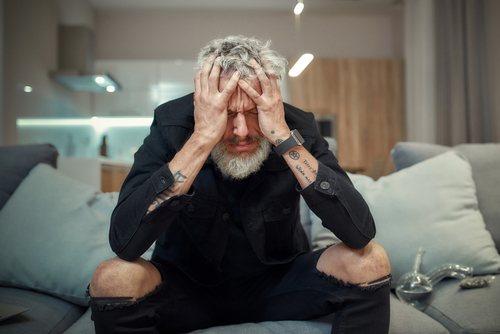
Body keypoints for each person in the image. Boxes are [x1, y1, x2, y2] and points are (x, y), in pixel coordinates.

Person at [88, 35, 392, 334]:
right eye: (227, 113)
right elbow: (124, 243)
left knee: (371, 260)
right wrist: (202, 138)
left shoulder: (297, 126)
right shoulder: (171, 124)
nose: (241, 131)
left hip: (279, 284)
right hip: (187, 289)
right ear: (203, 101)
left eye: (253, 112)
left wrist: (283, 138)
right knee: (112, 277)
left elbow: (360, 232)